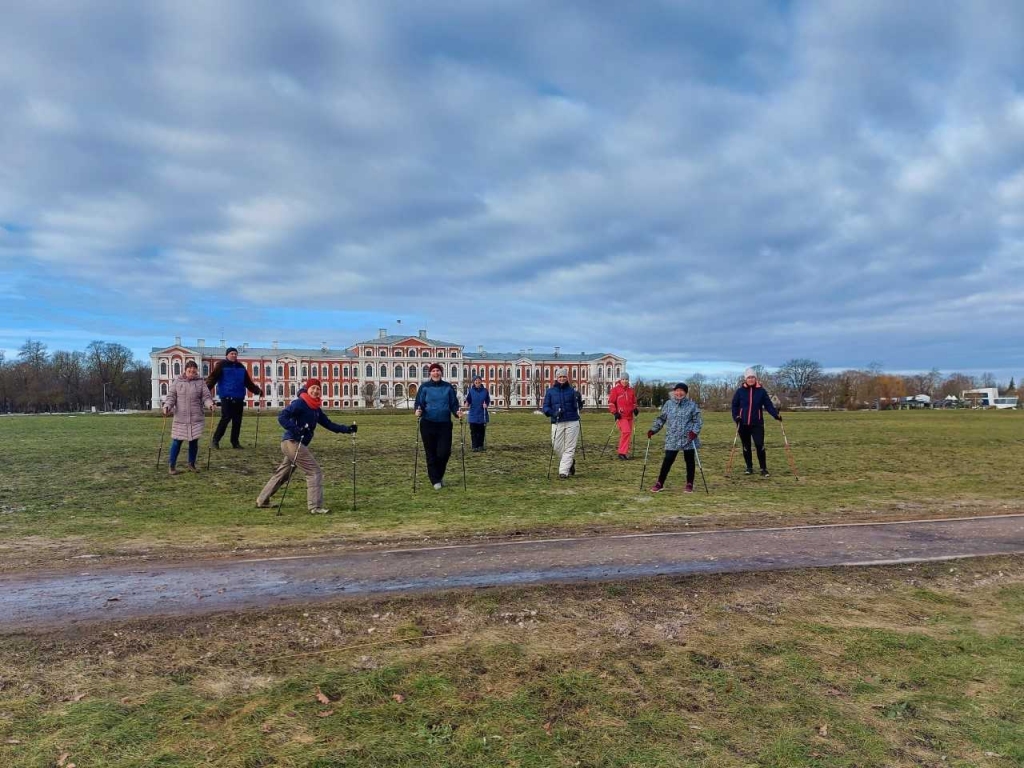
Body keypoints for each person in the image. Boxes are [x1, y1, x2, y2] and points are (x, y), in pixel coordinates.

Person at [256, 378, 356, 514]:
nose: (315, 391)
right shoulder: (300, 403)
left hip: (296, 443)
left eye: (318, 389)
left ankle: (262, 500)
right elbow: (282, 416)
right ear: (307, 389)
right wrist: (297, 429)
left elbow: (329, 424)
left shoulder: (315, 408)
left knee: (284, 473)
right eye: (313, 388)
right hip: (292, 442)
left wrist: (348, 429)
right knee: (314, 471)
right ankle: (315, 507)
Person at [646, 382, 703, 493]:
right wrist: (653, 430)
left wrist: (694, 432)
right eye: (677, 390)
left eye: (682, 391)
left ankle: (689, 483)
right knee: (668, 460)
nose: (679, 393)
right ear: (674, 392)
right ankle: (660, 483)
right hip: (672, 437)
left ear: (685, 393)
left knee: (690, 461)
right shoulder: (668, 404)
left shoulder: (692, 405)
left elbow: (698, 421)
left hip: (689, 438)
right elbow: (661, 419)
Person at [162, 360, 215, 475]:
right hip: (180, 418)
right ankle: (172, 465)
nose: (191, 373)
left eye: (194, 372)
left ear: (197, 372)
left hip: (196, 418)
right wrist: (167, 406)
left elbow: (206, 397)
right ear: (185, 371)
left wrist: (210, 404)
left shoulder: (201, 383)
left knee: (193, 442)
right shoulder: (177, 382)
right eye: (189, 371)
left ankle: (191, 464)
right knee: (177, 442)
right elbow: (171, 397)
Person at [414, 363, 461, 489]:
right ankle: (435, 480)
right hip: (428, 423)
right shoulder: (424, 387)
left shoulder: (448, 387)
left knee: (444, 452)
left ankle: (438, 475)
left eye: (438, 370)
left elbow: (453, 404)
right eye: (433, 371)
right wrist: (418, 411)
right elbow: (419, 403)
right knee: (431, 453)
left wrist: (457, 412)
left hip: (444, 424)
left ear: (441, 372)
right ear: (430, 373)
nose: (436, 373)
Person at [205, 346, 262, 449]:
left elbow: (248, 382)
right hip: (226, 396)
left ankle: (235, 442)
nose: (234, 355)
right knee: (225, 418)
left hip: (239, 396)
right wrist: (205, 390)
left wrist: (257, 390)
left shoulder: (241, 366)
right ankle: (215, 441)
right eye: (232, 353)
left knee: (237, 420)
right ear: (227, 355)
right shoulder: (221, 365)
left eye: (235, 354)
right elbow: (212, 378)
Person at [731, 367, 782, 477]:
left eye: (752, 377)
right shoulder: (740, 391)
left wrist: (775, 415)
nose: (751, 379)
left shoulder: (761, 391)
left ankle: (763, 468)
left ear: (756, 378)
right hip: (742, 423)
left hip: (757, 423)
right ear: (745, 379)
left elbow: (768, 405)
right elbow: (734, 406)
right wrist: (736, 417)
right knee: (746, 446)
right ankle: (749, 467)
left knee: (760, 445)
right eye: (749, 377)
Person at [542, 367, 584, 479]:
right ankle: (570, 462)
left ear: (567, 377)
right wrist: (553, 413)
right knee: (557, 446)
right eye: (560, 376)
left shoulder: (572, 391)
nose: (562, 378)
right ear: (556, 378)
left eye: (564, 376)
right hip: (557, 422)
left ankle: (563, 472)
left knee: (570, 447)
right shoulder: (550, 391)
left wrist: (579, 400)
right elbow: (545, 407)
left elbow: (579, 407)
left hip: (572, 421)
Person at [607, 371, 639, 460]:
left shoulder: (631, 390)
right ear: (620, 380)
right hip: (621, 416)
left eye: (626, 379)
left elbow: (633, 402)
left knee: (627, 434)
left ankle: (624, 452)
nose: (625, 381)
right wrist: (614, 412)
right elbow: (611, 402)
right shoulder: (615, 390)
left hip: (630, 416)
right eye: (623, 379)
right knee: (626, 432)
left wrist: (635, 409)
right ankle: (621, 452)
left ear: (628, 380)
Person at [464, 374, 491, 452]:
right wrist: (466, 404)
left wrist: (486, 404)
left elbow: (488, 400)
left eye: (478, 380)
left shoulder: (485, 391)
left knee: (481, 431)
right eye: (475, 381)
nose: (477, 382)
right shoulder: (471, 391)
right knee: (474, 432)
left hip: (482, 414)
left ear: (481, 382)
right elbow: (468, 400)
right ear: (474, 382)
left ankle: (480, 446)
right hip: (473, 414)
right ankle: (474, 446)